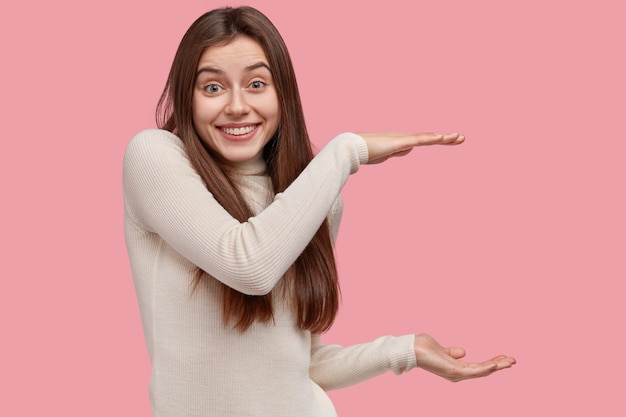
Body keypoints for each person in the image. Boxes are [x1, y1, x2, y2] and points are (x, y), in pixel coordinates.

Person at [122, 6, 515, 417]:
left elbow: (300, 362)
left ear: (283, 93)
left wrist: (404, 350)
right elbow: (247, 264)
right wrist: (346, 150)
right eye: (213, 88)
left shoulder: (313, 195)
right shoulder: (155, 157)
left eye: (257, 84)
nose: (237, 106)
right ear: (187, 95)